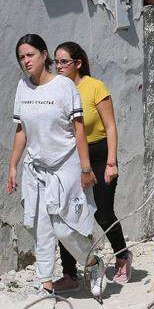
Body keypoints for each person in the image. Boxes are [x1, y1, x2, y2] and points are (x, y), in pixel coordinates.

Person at [7, 34, 106, 297]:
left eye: (30, 55)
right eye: (21, 57)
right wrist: (13, 165)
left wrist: (86, 169)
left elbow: (79, 129)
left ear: (43, 54)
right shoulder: (22, 87)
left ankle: (93, 263)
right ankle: (46, 285)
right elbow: (21, 129)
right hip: (35, 168)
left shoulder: (63, 86)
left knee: (65, 227)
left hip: (65, 166)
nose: (26, 61)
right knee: (39, 227)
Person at [52, 42, 132, 291]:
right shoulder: (57, 90)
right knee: (67, 215)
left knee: (103, 211)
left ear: (78, 63)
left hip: (99, 155)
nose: (59, 66)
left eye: (64, 61)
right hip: (71, 158)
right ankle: (69, 274)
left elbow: (110, 127)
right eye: (56, 62)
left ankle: (122, 256)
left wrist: (111, 163)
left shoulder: (94, 87)